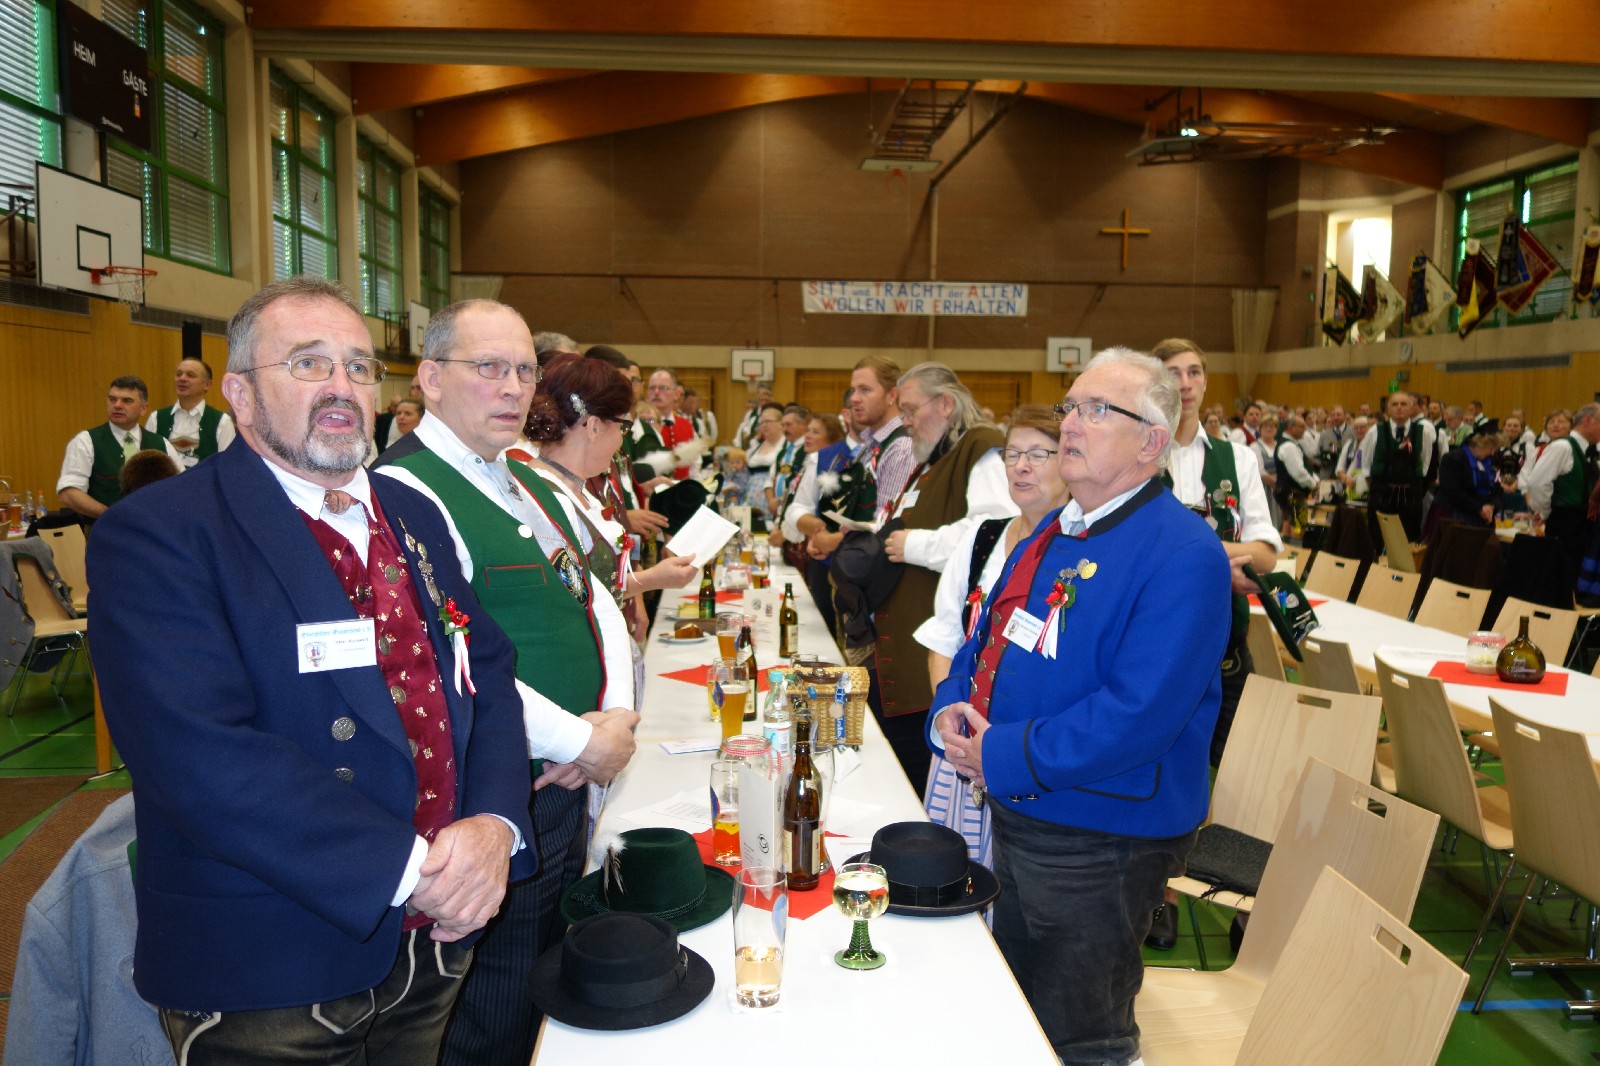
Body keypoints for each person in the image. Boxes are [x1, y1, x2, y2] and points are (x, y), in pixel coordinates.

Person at [86, 276, 534, 1064]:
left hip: (433, 944)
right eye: (307, 363)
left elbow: (486, 674)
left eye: (359, 367)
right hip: (271, 958)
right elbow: (197, 755)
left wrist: (494, 825)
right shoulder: (160, 532)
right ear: (240, 395)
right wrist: (414, 870)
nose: (340, 387)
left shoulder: (411, 512)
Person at [374, 308, 679, 1065]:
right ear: (430, 378)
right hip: (498, 786)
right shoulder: (405, 487)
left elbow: (592, 596)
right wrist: (578, 739)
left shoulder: (516, 476)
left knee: (538, 978)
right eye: (489, 368)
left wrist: (610, 718)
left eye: (523, 371)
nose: (512, 388)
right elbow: (448, 658)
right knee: (492, 1004)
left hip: (562, 770)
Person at [932, 348, 1230, 1066]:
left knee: (1081, 1036)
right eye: (1071, 406)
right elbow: (987, 636)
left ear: (1151, 442)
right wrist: (951, 705)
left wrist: (1000, 753)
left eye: (1097, 410)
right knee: (1018, 1011)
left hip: (1101, 832)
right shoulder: (1055, 529)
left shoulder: (1184, 551)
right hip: (1023, 807)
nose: (1069, 423)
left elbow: (1140, 714)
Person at [1150, 338, 1281, 949]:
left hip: (1225, 641)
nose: (1185, 382)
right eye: (1172, 372)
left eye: (1194, 371)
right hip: (1154, 642)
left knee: (1242, 775)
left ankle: (1246, 903)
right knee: (1167, 768)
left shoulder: (1237, 457)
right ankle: (1162, 895)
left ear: (1206, 381)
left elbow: (1266, 552)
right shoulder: (1139, 449)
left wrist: (1198, 554)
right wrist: (1214, 556)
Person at [914, 404, 1068, 874]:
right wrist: (952, 723)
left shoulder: (1080, 552)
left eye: (1038, 454)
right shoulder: (981, 538)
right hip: (961, 748)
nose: (1021, 466)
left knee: (1013, 883)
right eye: (1013, 454)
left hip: (1029, 755)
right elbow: (945, 636)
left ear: (1070, 460)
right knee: (955, 877)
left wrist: (999, 747)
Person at [871, 363, 1012, 785]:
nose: (905, 421)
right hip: (908, 644)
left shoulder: (981, 446)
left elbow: (995, 531)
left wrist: (915, 545)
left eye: (911, 410)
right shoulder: (937, 457)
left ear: (946, 404)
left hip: (939, 647)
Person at [56, 376, 185, 519]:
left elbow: (183, 488)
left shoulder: (162, 444)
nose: (117, 405)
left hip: (153, 528)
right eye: (112, 399)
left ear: (143, 408)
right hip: (103, 528)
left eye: (126, 400)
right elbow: (68, 493)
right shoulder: (86, 441)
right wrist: (113, 517)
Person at [1520, 402, 1600, 570]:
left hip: (1582, 526)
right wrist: (1545, 511)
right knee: (1560, 574)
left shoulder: (1587, 450)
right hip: (1564, 525)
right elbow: (1537, 482)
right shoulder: (1562, 447)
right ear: (1587, 420)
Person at [1360, 390, 1435, 541]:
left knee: (1409, 540)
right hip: (1382, 494)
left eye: (1403, 404)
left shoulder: (1423, 432)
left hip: (1411, 496)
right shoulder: (1375, 431)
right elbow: (1366, 465)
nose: (1399, 407)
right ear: (1388, 408)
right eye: (1395, 404)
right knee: (1378, 539)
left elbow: (1425, 462)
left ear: (1411, 408)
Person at [145, 356, 235, 467]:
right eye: (178, 374)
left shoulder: (223, 422)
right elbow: (145, 463)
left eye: (190, 375)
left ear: (207, 384)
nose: (182, 378)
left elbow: (227, 466)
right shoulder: (156, 419)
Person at [1434, 425, 1504, 527]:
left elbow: (1498, 490)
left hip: (1483, 518)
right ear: (1480, 444)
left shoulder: (1491, 461)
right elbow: (1452, 491)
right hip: (1454, 516)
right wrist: (1479, 508)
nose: (1492, 453)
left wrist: (1492, 506)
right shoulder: (1453, 458)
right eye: (1492, 448)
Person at [1274, 413, 1318, 536]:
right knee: (1298, 530)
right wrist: (1313, 484)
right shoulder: (1289, 446)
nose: (1304, 430)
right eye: (1301, 426)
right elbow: (1298, 473)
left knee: (1287, 525)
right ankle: (1295, 548)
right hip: (1294, 494)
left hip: (1287, 492)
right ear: (1290, 427)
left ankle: (1286, 547)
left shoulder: (1289, 444)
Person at [1250, 415, 1282, 528]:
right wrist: (1279, 484)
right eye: (1265, 426)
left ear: (1276, 429)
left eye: (1272, 426)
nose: (1268, 429)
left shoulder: (1280, 445)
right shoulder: (1255, 446)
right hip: (1265, 489)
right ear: (1260, 429)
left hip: (1281, 489)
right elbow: (1260, 472)